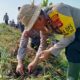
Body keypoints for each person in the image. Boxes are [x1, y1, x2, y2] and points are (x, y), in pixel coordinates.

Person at [16, 3, 80, 80]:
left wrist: (50, 51)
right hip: (75, 32)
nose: (35, 29)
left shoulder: (58, 11)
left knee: (72, 48)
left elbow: (70, 37)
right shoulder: (44, 26)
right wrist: (35, 62)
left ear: (39, 18)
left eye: (33, 26)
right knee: (71, 50)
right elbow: (43, 44)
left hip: (77, 30)